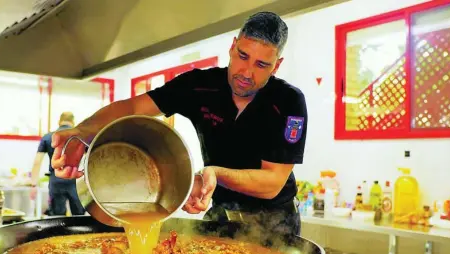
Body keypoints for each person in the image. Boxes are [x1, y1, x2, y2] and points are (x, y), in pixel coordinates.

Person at [50, 12, 307, 235]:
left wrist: (214, 174)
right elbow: (133, 108)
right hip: (221, 216)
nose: (246, 73)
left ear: (276, 66)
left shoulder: (288, 102)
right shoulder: (199, 85)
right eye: (242, 56)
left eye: (262, 65)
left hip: (275, 224)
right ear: (232, 46)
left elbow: (271, 184)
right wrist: (82, 131)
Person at [30, 112, 85, 216]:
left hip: (56, 181)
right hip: (75, 181)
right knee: (79, 217)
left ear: (59, 122)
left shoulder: (48, 137)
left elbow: (37, 162)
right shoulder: (80, 137)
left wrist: (33, 185)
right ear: (73, 122)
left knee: (57, 218)